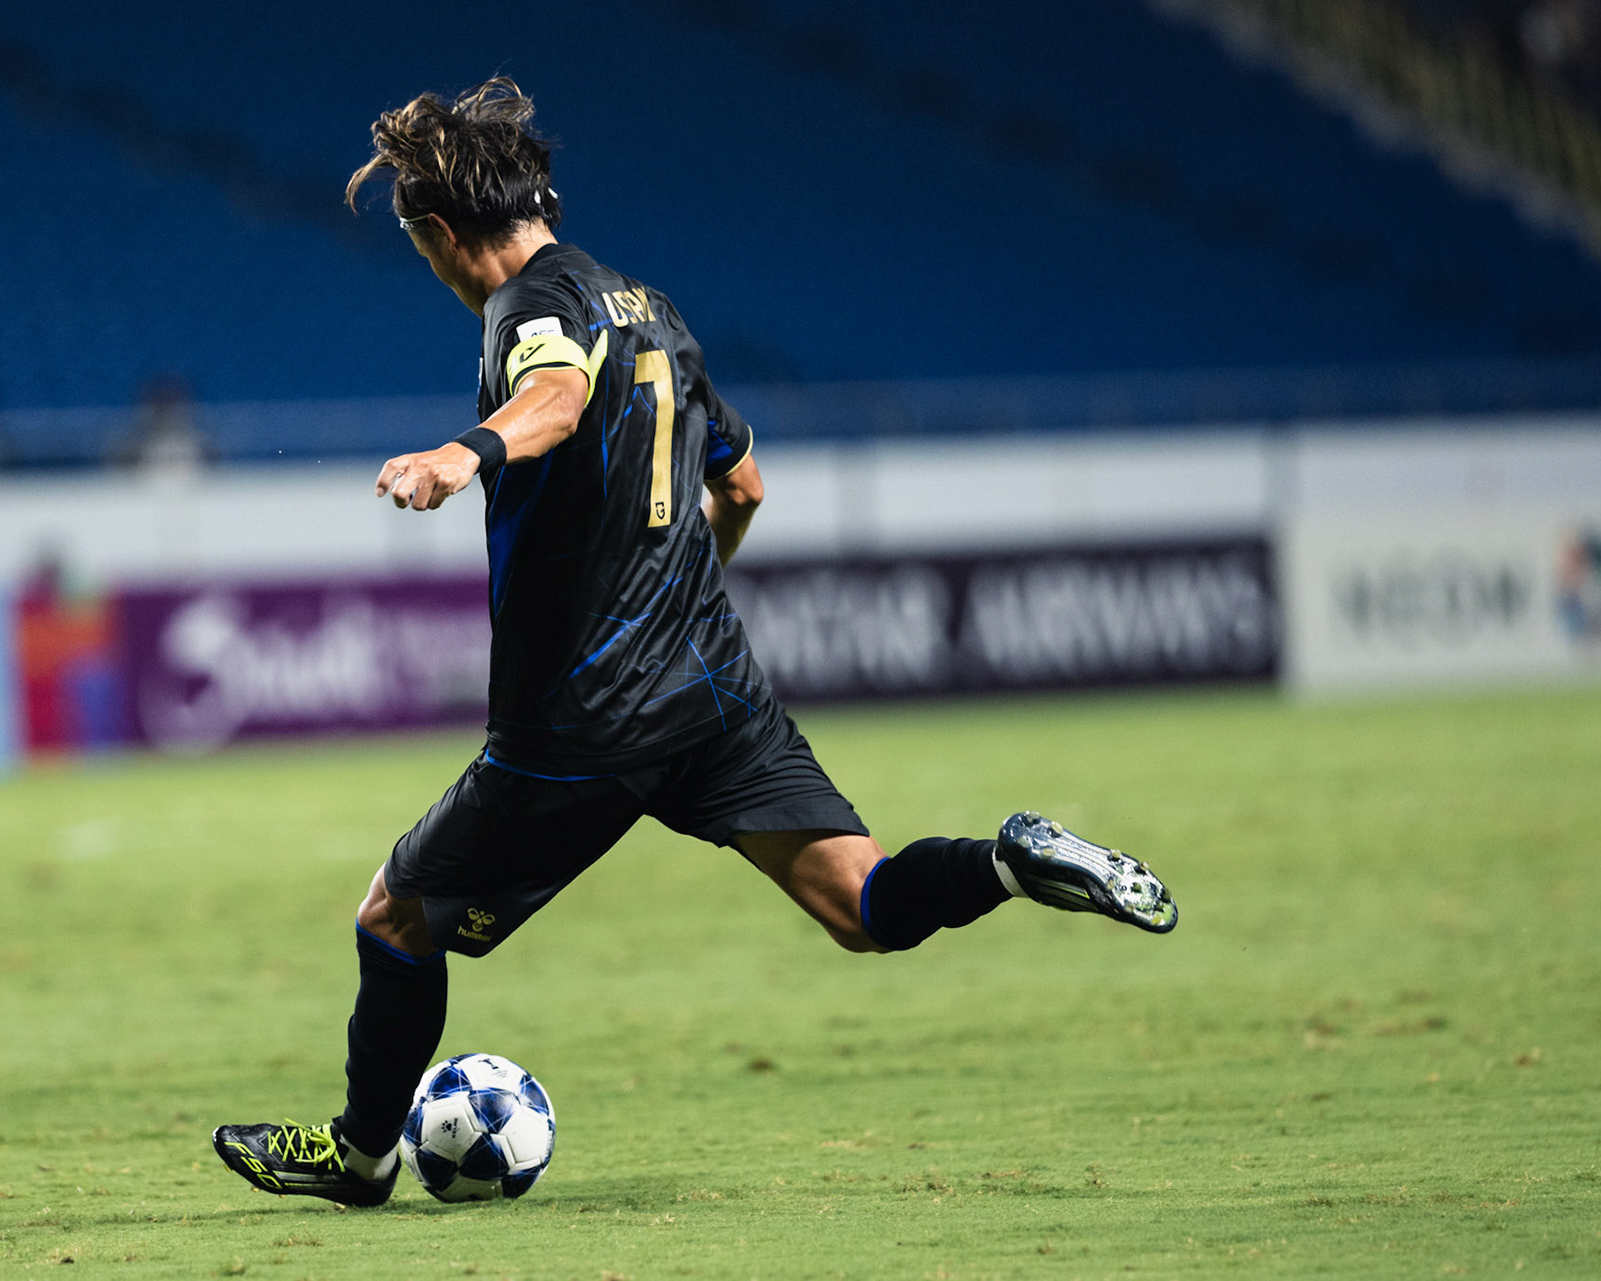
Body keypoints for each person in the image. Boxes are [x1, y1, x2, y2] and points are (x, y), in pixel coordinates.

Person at [212, 78, 1178, 1206]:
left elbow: (557, 402)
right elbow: (746, 484)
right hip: (715, 696)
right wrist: (677, 585)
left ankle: (363, 1158)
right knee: (863, 908)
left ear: (435, 232)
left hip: (580, 722)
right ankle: (1010, 862)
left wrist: (459, 456)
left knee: (394, 916)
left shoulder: (529, 306)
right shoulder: (655, 309)